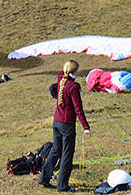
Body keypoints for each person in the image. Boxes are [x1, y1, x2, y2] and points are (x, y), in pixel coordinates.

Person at [39, 60, 91, 192]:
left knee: (56, 150)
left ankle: (44, 178)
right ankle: (62, 186)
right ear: (74, 71)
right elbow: (79, 109)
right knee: (67, 154)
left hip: (56, 122)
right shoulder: (73, 87)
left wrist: (73, 72)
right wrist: (86, 127)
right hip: (67, 126)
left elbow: (62, 72)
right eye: (78, 70)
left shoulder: (60, 78)